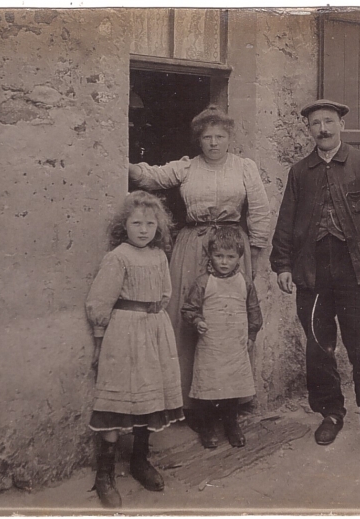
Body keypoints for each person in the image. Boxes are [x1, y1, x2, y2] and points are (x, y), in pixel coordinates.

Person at [269, 99, 360, 466]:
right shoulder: (300, 172)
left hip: (357, 271)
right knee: (318, 347)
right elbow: (286, 220)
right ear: (308, 130)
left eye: (328, 122)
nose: (323, 129)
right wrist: (282, 264)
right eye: (315, 124)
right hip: (312, 272)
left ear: (341, 124)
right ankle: (331, 413)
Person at [128, 105, 271, 425]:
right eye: (207, 137)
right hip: (192, 248)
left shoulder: (244, 168)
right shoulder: (187, 167)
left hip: (231, 248)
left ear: (229, 137)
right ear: (199, 140)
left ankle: (232, 401)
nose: (214, 143)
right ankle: (192, 403)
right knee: (189, 319)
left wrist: (256, 254)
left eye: (220, 136)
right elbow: (152, 177)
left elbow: (260, 211)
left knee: (230, 320)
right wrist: (127, 166)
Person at [85, 190, 184, 507]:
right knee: (118, 399)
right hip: (124, 334)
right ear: (123, 226)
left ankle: (140, 460)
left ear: (159, 227)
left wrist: (155, 324)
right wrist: (100, 339)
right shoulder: (118, 257)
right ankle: (105, 473)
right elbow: (100, 300)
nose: (143, 229)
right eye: (136, 223)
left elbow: (165, 295)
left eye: (150, 223)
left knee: (150, 395)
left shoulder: (158, 256)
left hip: (154, 330)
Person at [180, 226, 263, 449]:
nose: (224, 262)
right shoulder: (203, 282)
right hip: (211, 344)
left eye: (230, 257)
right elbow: (188, 309)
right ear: (210, 255)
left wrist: (251, 335)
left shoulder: (245, 283)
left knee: (232, 384)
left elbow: (254, 311)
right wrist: (198, 321)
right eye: (218, 256)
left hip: (235, 343)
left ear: (239, 257)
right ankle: (207, 426)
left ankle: (231, 423)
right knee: (209, 384)